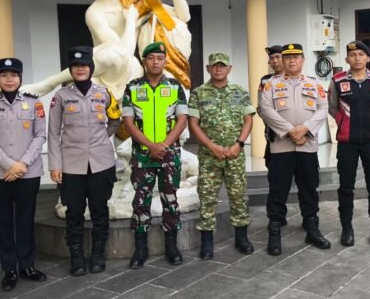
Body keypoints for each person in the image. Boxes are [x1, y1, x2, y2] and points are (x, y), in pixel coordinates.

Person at [21, 0, 192, 96]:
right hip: (107, 72)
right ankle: (51, 82)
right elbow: (122, 52)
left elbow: (183, 17)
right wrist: (131, 22)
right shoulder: (94, 13)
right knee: (112, 54)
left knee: (170, 30)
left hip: (131, 71)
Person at [48, 46, 121, 276]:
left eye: (84, 65)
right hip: (71, 166)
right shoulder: (61, 97)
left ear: (91, 68)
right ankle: (77, 257)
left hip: (101, 163)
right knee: (74, 212)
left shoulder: (104, 93)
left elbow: (115, 120)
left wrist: (101, 138)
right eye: (76, 66)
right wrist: (55, 165)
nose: (80, 69)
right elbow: (53, 133)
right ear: (71, 69)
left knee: (100, 210)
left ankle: (98, 255)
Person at [0, 58, 47, 291]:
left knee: (26, 219)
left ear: (20, 77)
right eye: (4, 75)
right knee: (2, 222)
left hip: (28, 172)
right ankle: (9, 269)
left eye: (14, 75)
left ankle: (27, 265)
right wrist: (10, 165)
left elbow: (40, 136)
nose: (9, 79)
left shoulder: (34, 103)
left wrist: (22, 164)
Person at [259, 43, 331, 255]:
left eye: (296, 57)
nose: (292, 60)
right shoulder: (271, 84)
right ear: (283, 60)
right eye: (288, 57)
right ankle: (274, 231)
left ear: (302, 60)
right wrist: (291, 131)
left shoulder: (314, 83)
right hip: (282, 146)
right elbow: (266, 109)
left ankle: (312, 227)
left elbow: (323, 108)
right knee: (278, 189)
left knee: (309, 187)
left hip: (307, 145)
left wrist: (305, 129)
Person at [122, 42, 188, 269]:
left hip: (169, 155)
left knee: (170, 199)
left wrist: (164, 146)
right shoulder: (132, 87)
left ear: (165, 61)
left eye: (160, 58)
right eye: (151, 58)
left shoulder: (175, 87)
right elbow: (128, 122)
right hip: (143, 155)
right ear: (144, 62)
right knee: (141, 202)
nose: (155, 62)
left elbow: (182, 120)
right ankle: (141, 248)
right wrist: (150, 146)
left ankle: (172, 246)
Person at [188, 52, 255, 259]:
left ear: (229, 69)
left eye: (222, 65)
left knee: (238, 196)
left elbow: (248, 120)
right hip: (209, 157)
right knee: (207, 197)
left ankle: (241, 237)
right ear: (208, 69)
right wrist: (212, 146)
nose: (218, 69)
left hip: (235, 155)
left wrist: (239, 144)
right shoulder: (198, 93)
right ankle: (207, 242)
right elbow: (193, 124)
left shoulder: (240, 92)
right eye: (215, 66)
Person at [328, 41, 370, 247]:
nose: (357, 58)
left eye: (361, 54)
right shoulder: (337, 81)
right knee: (346, 188)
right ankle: (347, 229)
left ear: (368, 58)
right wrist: (344, 123)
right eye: (353, 55)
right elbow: (333, 108)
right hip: (347, 143)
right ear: (347, 59)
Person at [258, 45, 284, 169]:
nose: (274, 61)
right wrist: (274, 123)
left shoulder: (296, 78)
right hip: (273, 133)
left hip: (296, 134)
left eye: (278, 57)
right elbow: (261, 108)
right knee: (274, 169)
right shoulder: (265, 81)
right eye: (272, 58)